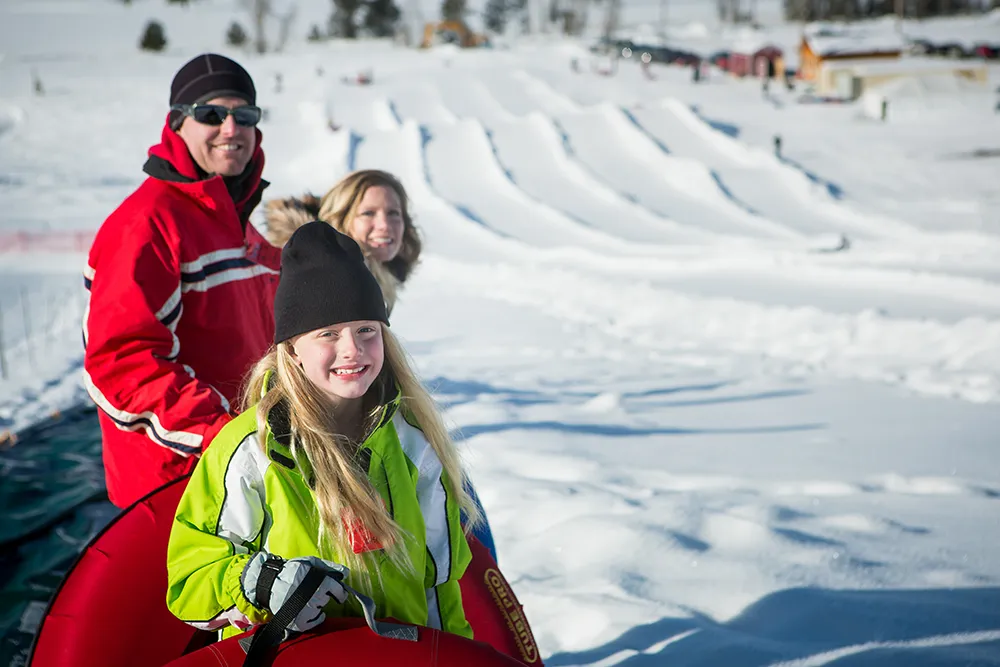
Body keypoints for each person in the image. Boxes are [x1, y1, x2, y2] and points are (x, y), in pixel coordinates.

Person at [166, 222, 481, 641]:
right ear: (292, 349)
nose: (351, 349)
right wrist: (257, 580)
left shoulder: (414, 443)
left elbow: (439, 590)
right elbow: (190, 579)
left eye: (366, 330)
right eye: (328, 334)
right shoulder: (251, 451)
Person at [83, 53, 280, 509]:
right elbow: (123, 365)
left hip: (245, 475)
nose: (231, 128)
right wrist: (227, 436)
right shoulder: (148, 224)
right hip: (179, 488)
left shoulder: (235, 222)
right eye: (212, 114)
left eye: (244, 115)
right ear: (177, 124)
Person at [262, 170, 421, 315]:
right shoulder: (323, 284)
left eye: (393, 213)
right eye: (368, 213)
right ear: (340, 219)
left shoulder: (374, 278)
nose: (384, 225)